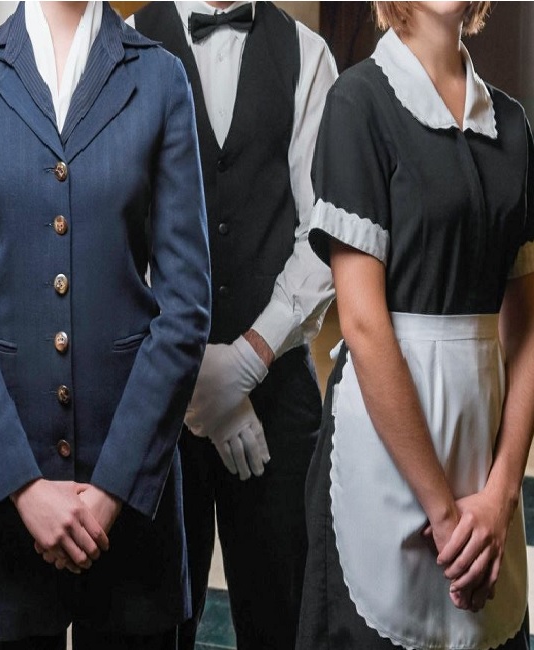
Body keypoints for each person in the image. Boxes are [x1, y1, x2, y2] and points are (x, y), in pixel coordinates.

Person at [0, 2, 211, 648]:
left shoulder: (160, 78)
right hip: (6, 490)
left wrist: (112, 490)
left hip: (132, 489)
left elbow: (186, 306)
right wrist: (23, 486)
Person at [298, 2, 534, 648]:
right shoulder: (358, 104)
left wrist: (501, 497)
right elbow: (363, 323)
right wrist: (444, 512)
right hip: (384, 459)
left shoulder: (512, 126)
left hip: (485, 465)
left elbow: (527, 334)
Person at [129, 2, 336, 648]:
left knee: (283, 619)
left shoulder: (308, 54)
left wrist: (249, 357)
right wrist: (193, 374)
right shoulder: (128, 44)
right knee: (152, 624)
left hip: (280, 394)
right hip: (154, 394)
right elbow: (115, 231)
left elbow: (325, 229)